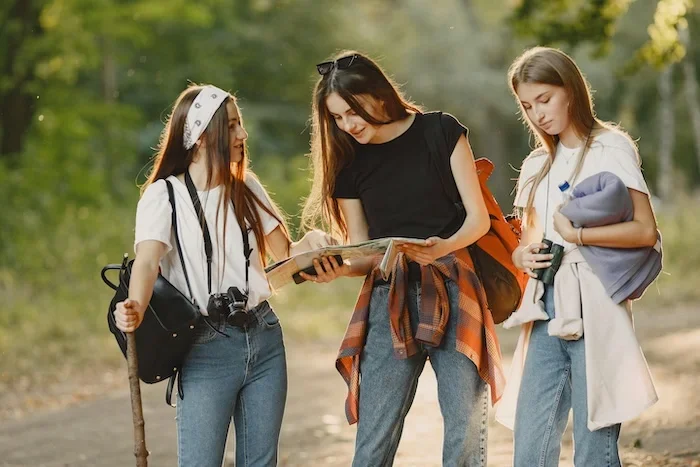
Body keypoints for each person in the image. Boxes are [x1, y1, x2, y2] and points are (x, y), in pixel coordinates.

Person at [300, 51, 505, 466]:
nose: (347, 125)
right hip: (388, 297)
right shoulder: (349, 164)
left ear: (377, 94)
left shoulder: (441, 131)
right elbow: (364, 253)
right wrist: (334, 268)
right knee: (374, 435)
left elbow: (477, 220)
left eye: (352, 111)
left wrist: (442, 247)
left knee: (465, 429)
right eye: (337, 118)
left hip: (453, 285)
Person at [113, 84, 332, 467]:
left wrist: (316, 245)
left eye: (240, 125)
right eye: (231, 127)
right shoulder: (164, 196)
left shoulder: (247, 186)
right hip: (205, 346)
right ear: (199, 138)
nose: (242, 135)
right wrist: (133, 307)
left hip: (264, 338)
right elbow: (147, 263)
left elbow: (287, 256)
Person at [496, 47, 660, 466]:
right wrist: (520, 255)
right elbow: (528, 239)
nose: (537, 114)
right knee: (530, 441)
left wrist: (580, 234)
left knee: (594, 440)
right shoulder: (536, 165)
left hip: (597, 298)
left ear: (571, 90)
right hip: (545, 302)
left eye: (545, 99)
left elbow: (645, 231)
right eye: (527, 106)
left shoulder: (610, 148)